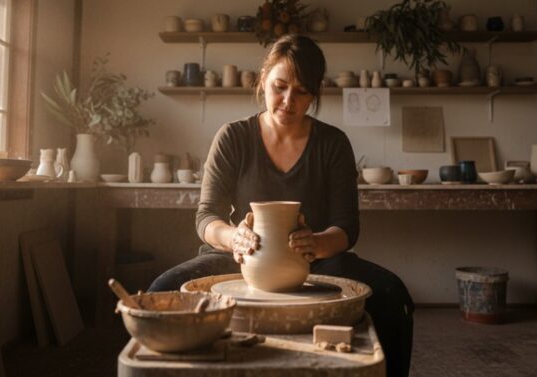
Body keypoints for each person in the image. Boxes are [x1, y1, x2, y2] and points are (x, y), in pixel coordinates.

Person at [149, 34, 414, 376]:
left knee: (394, 296)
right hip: (241, 257)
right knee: (161, 292)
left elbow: (347, 227)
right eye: (280, 86)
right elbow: (207, 216)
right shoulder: (233, 137)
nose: (288, 100)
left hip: (315, 261)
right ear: (263, 81)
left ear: (315, 94)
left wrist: (318, 243)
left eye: (302, 91)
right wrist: (235, 239)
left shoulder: (332, 143)